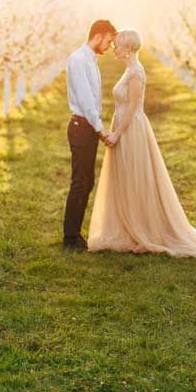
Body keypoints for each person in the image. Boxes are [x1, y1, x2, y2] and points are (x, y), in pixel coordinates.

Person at [87, 28, 196, 259]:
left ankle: (143, 229)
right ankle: (127, 226)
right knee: (126, 178)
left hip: (131, 130)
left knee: (136, 178)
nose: (113, 48)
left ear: (128, 48)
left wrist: (117, 133)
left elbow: (132, 108)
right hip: (123, 127)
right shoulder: (129, 70)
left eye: (117, 45)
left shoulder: (136, 73)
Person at [62, 19, 117, 251]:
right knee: (80, 182)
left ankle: (75, 234)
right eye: (108, 40)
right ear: (99, 35)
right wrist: (100, 129)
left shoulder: (91, 60)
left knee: (87, 182)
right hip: (81, 127)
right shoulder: (78, 60)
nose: (109, 46)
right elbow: (85, 101)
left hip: (88, 128)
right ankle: (70, 238)